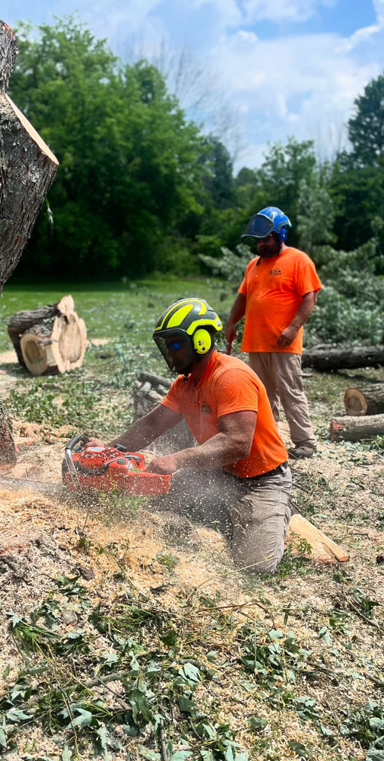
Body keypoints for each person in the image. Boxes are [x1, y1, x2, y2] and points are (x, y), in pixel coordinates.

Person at [87, 298, 292, 574]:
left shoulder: (230, 377)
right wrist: (111, 450)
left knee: (254, 566)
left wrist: (178, 459)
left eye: (174, 345)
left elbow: (238, 443)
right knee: (153, 502)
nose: (169, 353)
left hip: (262, 480)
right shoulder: (185, 384)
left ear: (201, 341)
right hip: (218, 474)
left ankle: (272, 514)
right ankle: (230, 513)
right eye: (165, 346)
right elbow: (152, 425)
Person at [224, 206, 322, 460]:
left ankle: (305, 442)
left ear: (280, 234)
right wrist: (231, 322)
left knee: (290, 392)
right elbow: (243, 297)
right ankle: (271, 441)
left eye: (265, 238)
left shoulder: (298, 260)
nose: (260, 245)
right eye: (257, 241)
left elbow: (309, 297)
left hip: (283, 342)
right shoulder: (253, 265)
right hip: (256, 342)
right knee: (262, 396)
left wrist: (292, 328)